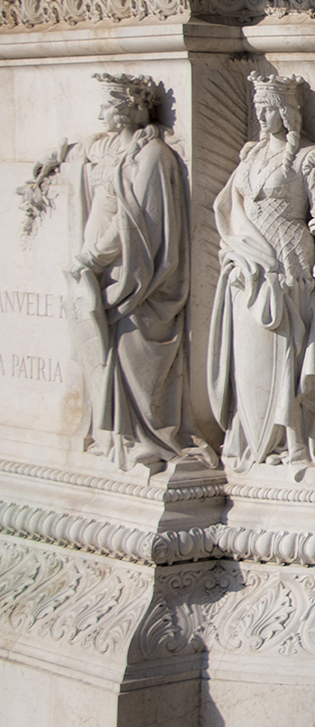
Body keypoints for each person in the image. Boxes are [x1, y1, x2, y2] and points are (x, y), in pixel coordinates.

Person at [208, 73, 315, 471]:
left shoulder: (312, 158)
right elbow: (229, 207)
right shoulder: (250, 156)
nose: (262, 115)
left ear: (288, 112)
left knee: (291, 351)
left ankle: (294, 438)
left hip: (292, 265)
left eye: (269, 108)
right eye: (259, 107)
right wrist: (236, 252)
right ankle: (256, 436)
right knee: (251, 355)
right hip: (249, 267)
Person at [66, 73, 194, 471]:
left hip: (137, 280)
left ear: (128, 108)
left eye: (108, 105)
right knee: (101, 353)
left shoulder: (152, 156)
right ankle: (115, 437)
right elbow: (83, 152)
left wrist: (94, 257)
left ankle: (146, 440)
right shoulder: (112, 151)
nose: (100, 113)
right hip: (104, 275)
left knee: (132, 352)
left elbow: (139, 225)